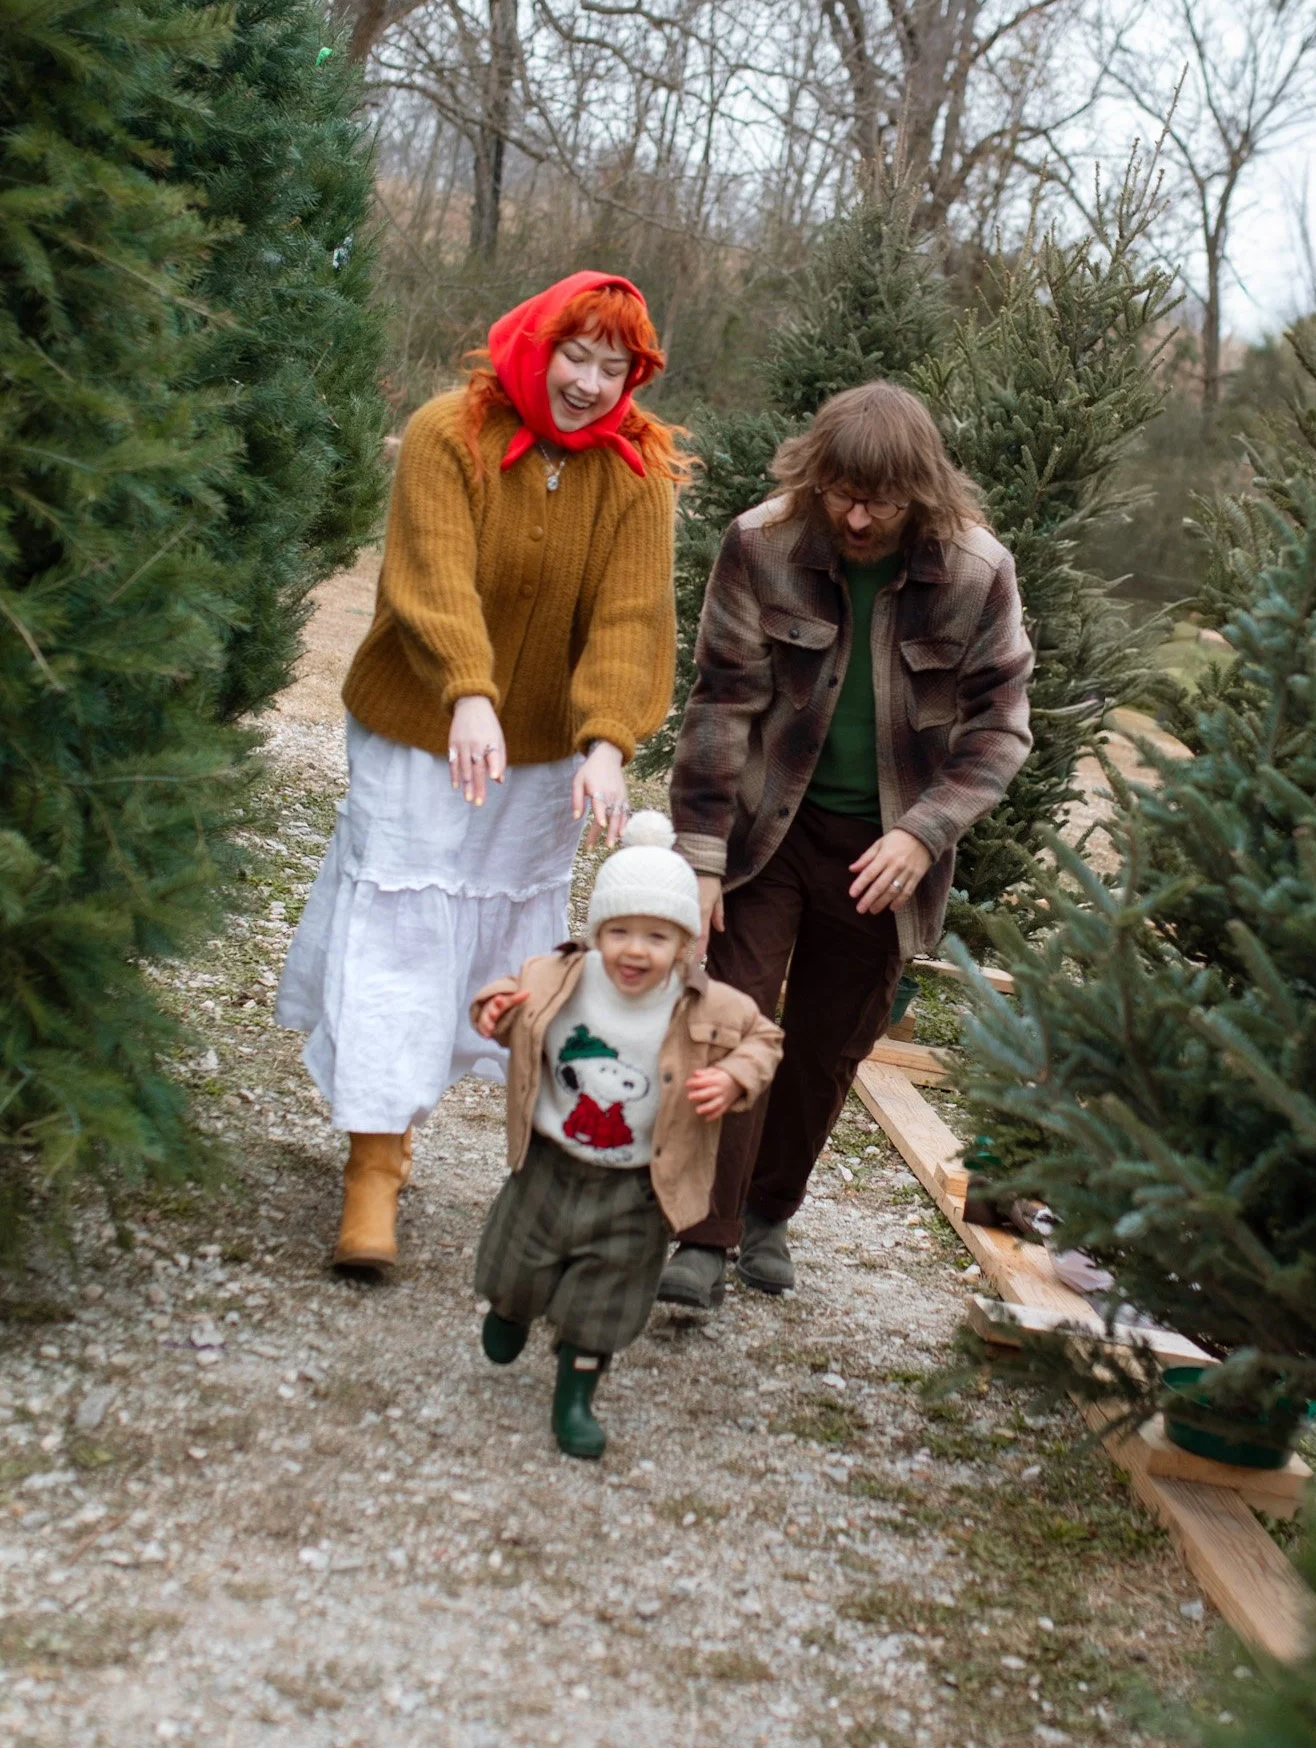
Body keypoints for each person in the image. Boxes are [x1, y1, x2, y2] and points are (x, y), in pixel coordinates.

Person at [276, 272, 685, 1278]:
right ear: (534, 343)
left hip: (542, 750)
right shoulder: (445, 433)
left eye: (613, 366)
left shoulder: (637, 476)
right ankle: (372, 1162)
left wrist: (605, 739)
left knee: (490, 953)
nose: (589, 382)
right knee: (402, 929)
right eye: (574, 355)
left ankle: (414, 1118)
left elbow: (631, 618)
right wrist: (468, 688)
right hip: (423, 726)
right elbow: (430, 574)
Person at [661, 381, 1034, 1310]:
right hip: (764, 833)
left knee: (831, 1040)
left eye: (884, 501)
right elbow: (719, 706)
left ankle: (766, 1213)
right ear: (814, 477)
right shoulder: (761, 544)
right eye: (840, 495)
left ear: (925, 494)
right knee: (734, 1014)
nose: (859, 518)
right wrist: (702, 859)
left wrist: (925, 830)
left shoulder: (979, 572)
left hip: (886, 848)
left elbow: (1001, 731)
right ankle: (700, 1237)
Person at [470, 812, 781, 1457]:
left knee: (607, 1299)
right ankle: (509, 1308)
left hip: (640, 1183)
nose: (635, 950)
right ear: (595, 933)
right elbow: (508, 999)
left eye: (657, 936)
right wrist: (492, 1009)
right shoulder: (561, 978)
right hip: (552, 1164)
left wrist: (733, 1079)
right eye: (619, 932)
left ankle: (575, 1394)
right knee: (516, 1263)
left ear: (687, 944)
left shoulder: (707, 1005)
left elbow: (763, 1040)